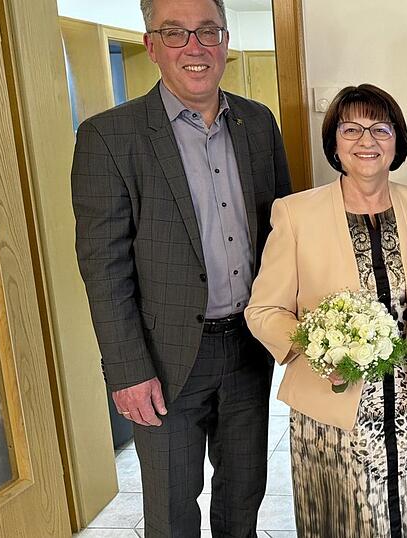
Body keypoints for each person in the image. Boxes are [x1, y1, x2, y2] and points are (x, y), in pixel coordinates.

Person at [71, 0, 291, 534]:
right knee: (171, 507)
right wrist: (127, 370)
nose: (194, 47)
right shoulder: (109, 137)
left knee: (244, 492)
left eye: (207, 31)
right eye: (175, 33)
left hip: (246, 348)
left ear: (225, 40)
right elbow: (104, 268)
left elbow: (284, 236)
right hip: (164, 360)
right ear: (150, 45)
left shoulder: (257, 123)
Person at [245, 84, 407, 538]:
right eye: (351, 129)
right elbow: (263, 309)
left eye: (380, 128)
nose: (366, 141)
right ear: (334, 142)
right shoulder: (296, 214)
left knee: (405, 523)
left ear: (398, 140)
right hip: (332, 413)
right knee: (344, 526)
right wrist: (317, 348)